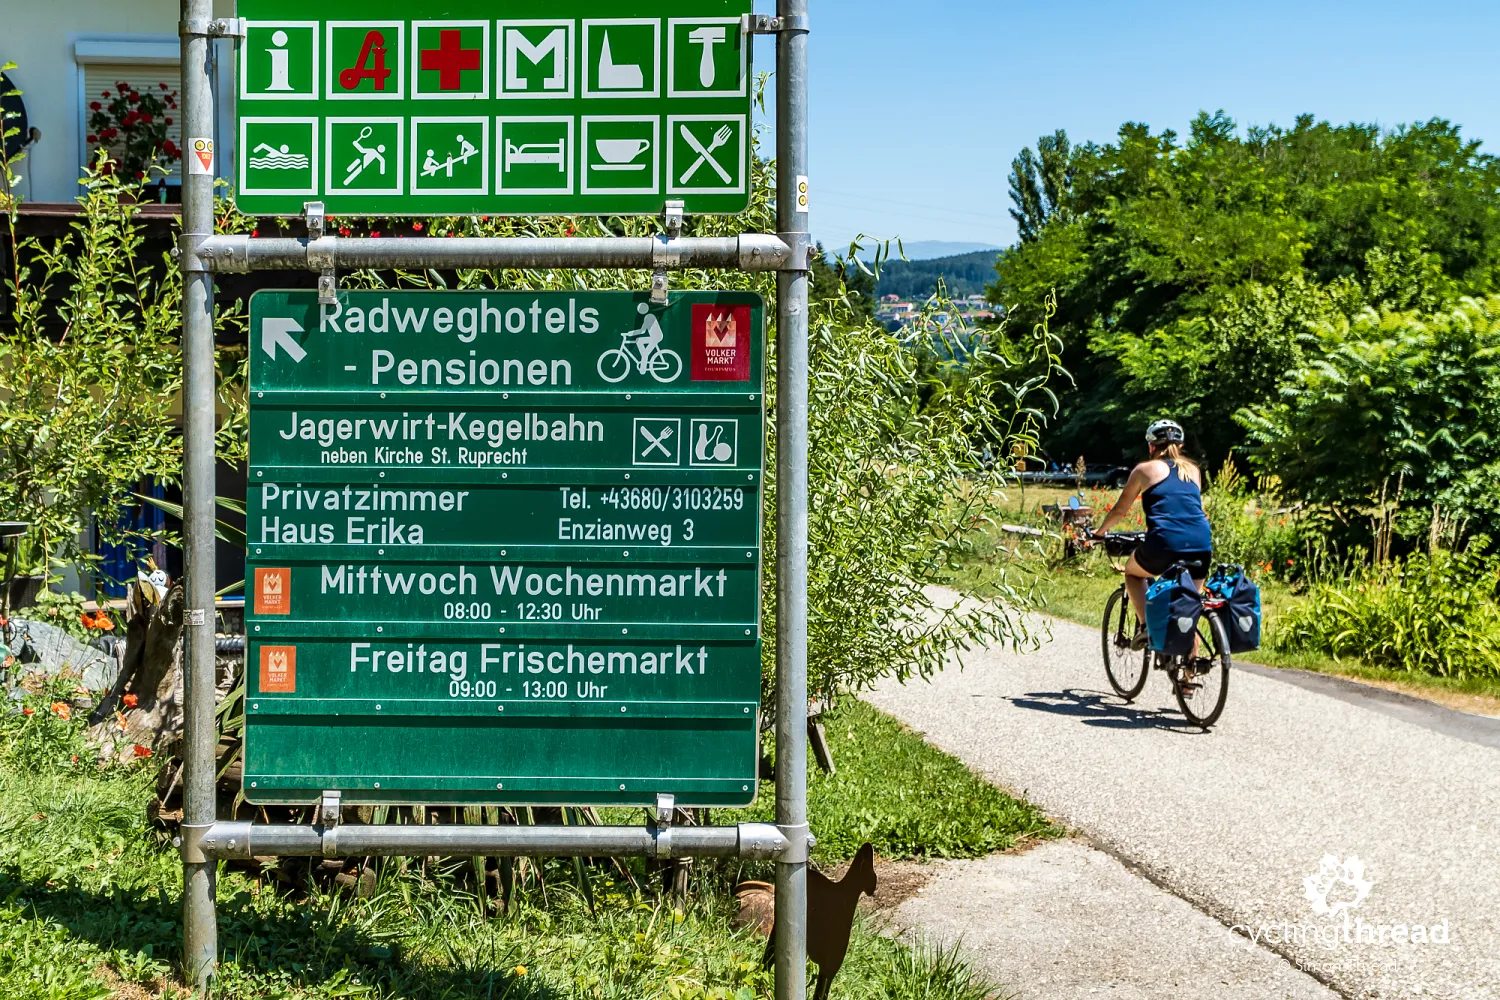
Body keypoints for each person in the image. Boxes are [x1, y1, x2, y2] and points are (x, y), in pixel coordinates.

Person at [1092, 419, 1213, 647]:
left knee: (1132, 573)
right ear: (1180, 446)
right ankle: (1187, 680)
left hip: (1164, 542)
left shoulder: (1144, 469)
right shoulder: (1193, 471)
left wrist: (1100, 533)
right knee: (1189, 612)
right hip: (1201, 543)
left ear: (1151, 446)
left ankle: (1146, 626)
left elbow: (1120, 510)